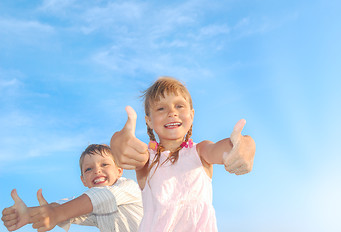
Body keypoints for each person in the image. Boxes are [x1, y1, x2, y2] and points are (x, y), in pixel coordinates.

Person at [110, 77, 256, 231]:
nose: (172, 112)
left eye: (179, 106)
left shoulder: (200, 151)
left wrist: (246, 145)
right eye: (161, 108)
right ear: (149, 121)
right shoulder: (147, 159)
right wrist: (118, 142)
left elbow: (225, 148)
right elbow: (126, 149)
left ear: (191, 115)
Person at [1, 144, 143, 232]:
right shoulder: (92, 208)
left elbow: (102, 196)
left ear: (119, 171)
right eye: (88, 169)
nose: (97, 171)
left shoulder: (127, 187)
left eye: (104, 164)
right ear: (83, 181)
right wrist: (28, 214)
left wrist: (55, 214)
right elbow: (64, 208)